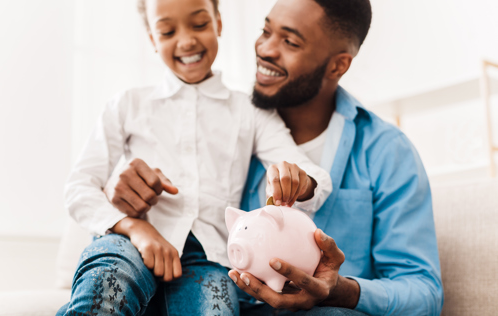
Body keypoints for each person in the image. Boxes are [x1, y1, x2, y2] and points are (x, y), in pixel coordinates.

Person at [57, 0, 333, 315]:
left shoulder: (251, 112)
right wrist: (134, 227)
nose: (186, 40)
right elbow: (79, 187)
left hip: (211, 258)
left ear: (218, 23)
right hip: (128, 241)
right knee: (105, 288)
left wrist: (302, 181)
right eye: (167, 31)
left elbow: (316, 177)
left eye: (199, 24)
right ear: (152, 39)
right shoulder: (126, 106)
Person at [228, 0, 444, 315]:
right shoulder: (225, 132)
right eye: (265, 31)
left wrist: (339, 291)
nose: (265, 49)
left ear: (337, 65)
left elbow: (424, 294)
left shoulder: (386, 151)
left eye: (290, 41)